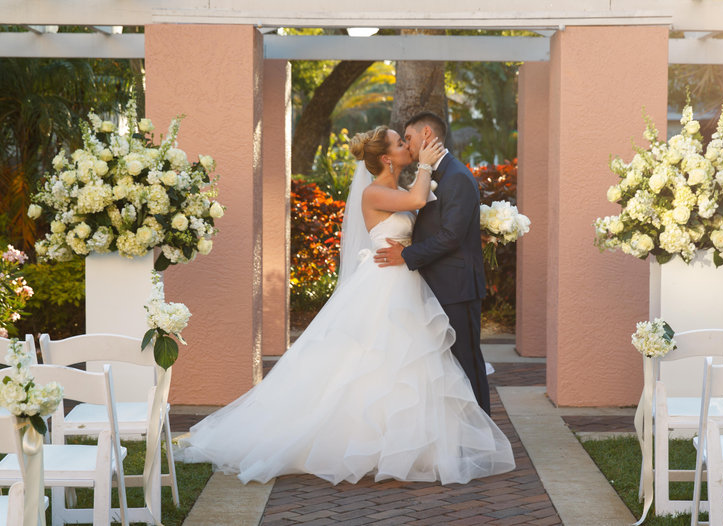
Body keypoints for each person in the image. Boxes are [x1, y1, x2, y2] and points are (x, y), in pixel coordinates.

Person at [176, 125, 515, 486]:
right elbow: (418, 202)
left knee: (406, 361)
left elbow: (428, 214)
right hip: (386, 284)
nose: (407, 146)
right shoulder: (374, 192)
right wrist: (430, 166)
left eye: (406, 140)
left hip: (406, 280)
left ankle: (413, 441)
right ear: (386, 157)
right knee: (376, 359)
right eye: (401, 143)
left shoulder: (398, 188)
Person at [374, 112, 490, 414]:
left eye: (408, 138)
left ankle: (481, 437)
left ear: (426, 134)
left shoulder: (456, 177)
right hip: (435, 285)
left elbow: (451, 236)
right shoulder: (435, 176)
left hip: (457, 289)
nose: (407, 146)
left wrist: (406, 255)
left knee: (466, 363)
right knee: (445, 368)